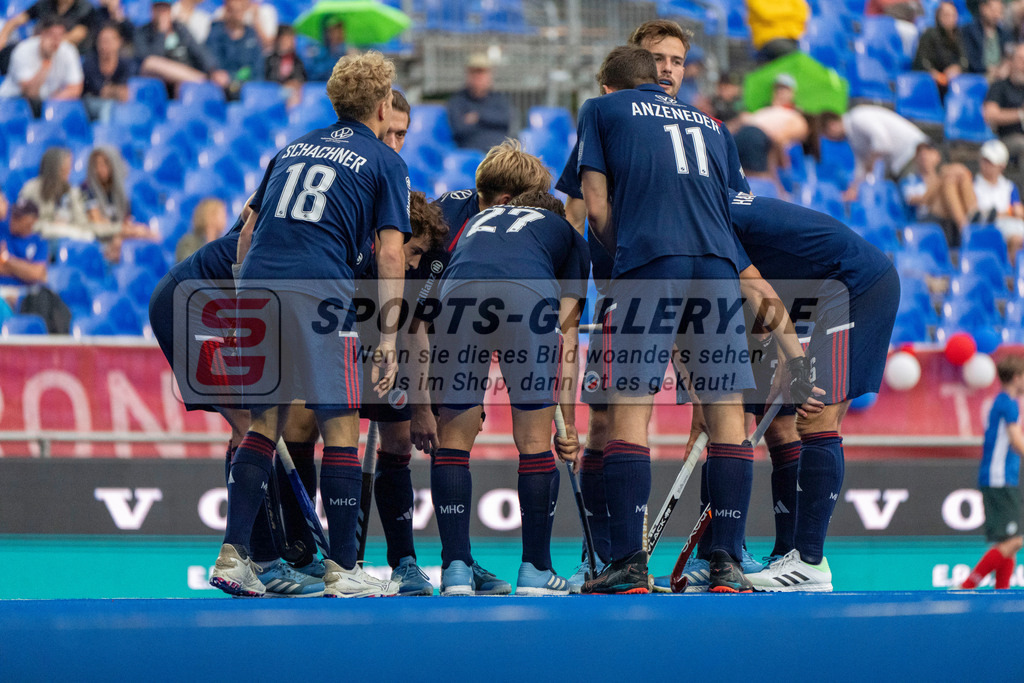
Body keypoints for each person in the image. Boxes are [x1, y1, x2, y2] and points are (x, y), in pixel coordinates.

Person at [208, 51, 410, 599]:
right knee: (341, 429)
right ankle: (344, 568)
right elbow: (391, 256)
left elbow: (248, 234)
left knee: (262, 425)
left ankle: (233, 555)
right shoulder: (385, 160)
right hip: (323, 292)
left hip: (260, 290)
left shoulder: (290, 149)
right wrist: (389, 337)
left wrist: (241, 300)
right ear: (382, 103)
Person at [575, 45, 763, 594]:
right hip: (717, 268)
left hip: (649, 262)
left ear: (610, 86)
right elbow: (735, 207)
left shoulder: (601, 110)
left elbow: (595, 200)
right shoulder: (714, 124)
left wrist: (624, 247)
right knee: (729, 418)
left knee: (631, 412)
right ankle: (726, 563)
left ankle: (630, 565)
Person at [674, 192, 899, 592]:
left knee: (814, 416)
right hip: (806, 297)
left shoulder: (700, 216)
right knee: (776, 426)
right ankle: (779, 556)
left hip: (853, 287)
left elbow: (758, 289)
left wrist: (794, 362)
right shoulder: (701, 208)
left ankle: (809, 562)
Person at [277, 94, 448, 597]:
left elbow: (416, 324)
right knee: (304, 425)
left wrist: (421, 405)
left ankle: (404, 562)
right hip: (332, 329)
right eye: (387, 132)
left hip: (383, 343)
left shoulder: (402, 201)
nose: (392, 144)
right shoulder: (344, 199)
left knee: (397, 444)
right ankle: (303, 552)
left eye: (401, 136)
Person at [431, 190, 586, 596]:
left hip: (457, 294)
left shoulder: (479, 221)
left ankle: (456, 570)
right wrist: (567, 426)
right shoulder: (568, 234)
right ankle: (536, 569)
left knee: (453, 441)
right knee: (534, 440)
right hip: (526, 294)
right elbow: (567, 339)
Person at [960, 355, 1024, 590]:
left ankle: (1002, 593)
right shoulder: (1008, 403)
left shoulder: (1003, 402)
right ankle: (966, 586)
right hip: (999, 477)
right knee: (1015, 540)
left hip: (1001, 476)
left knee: (1008, 540)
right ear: (1017, 377)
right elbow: (1017, 441)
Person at [820, 106, 928, 202]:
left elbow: (882, 142)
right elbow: (861, 165)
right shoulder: (852, 136)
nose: (831, 140)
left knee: (915, 198)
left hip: (913, 152)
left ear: (832, 125)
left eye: (828, 136)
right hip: (899, 162)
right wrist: (853, 188)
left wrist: (870, 162)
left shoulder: (858, 118)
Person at [82, 146, 157, 259]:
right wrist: (128, 231)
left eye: (104, 164)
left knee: (152, 237)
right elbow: (98, 225)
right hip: (94, 241)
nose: (99, 169)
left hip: (117, 236)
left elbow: (126, 220)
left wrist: (128, 231)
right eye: (96, 165)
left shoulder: (119, 192)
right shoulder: (86, 189)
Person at [135, 0, 222, 93]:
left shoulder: (180, 29)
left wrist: (213, 69)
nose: (162, 13)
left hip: (185, 73)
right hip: (161, 80)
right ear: (152, 10)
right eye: (158, 9)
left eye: (165, 9)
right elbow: (149, 59)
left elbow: (198, 50)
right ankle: (202, 80)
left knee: (184, 86)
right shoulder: (142, 32)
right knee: (151, 62)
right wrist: (161, 33)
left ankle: (203, 80)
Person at [901, 141, 977, 246]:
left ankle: (971, 216)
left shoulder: (943, 177)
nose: (925, 156)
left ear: (938, 157)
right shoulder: (910, 181)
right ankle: (969, 224)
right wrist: (941, 180)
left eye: (929, 152)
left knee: (962, 175)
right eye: (921, 153)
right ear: (915, 158)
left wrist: (957, 171)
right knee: (950, 179)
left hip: (948, 219)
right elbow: (921, 200)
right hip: (925, 220)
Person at [0, 18, 83, 113]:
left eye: (60, 35)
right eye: (52, 35)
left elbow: (75, 89)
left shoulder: (69, 51)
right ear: (42, 34)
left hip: (47, 100)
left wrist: (52, 102)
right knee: (33, 104)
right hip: (14, 100)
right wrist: (46, 62)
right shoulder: (23, 50)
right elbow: (30, 92)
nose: (56, 41)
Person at [18, 147, 89, 239]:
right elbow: (22, 220)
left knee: (87, 236)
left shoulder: (72, 191)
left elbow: (81, 222)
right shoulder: (31, 188)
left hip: (68, 234)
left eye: (69, 165)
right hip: (41, 235)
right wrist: (49, 224)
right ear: (54, 166)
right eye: (65, 165)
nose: (68, 169)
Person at [446, 54, 511, 152]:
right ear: (467, 74)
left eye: (482, 72)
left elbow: (505, 120)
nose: (478, 77)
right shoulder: (458, 101)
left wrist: (478, 117)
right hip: (471, 154)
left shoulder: (499, 98)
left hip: (499, 154)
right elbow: (459, 129)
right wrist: (491, 121)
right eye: (474, 72)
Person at [974, 139, 1024, 258]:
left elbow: (1018, 211)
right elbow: (978, 215)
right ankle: (1012, 274)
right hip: (986, 228)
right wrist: (1008, 213)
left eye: (991, 162)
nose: (986, 165)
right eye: (985, 160)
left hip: (1011, 225)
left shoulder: (1009, 186)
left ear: (1002, 166)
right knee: (1016, 239)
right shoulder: (973, 185)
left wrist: (1009, 213)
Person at [205, 0, 264, 99]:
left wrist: (237, 80)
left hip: (248, 89)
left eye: (240, 10)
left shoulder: (251, 34)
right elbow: (214, 64)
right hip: (221, 90)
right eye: (233, 10)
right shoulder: (215, 32)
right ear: (227, 11)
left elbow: (257, 70)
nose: (237, 15)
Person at [984, 45, 1024, 188]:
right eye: (1020, 59)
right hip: (1005, 139)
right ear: (1011, 61)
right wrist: (1019, 114)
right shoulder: (999, 87)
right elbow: (990, 114)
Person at [913, 1, 968, 100]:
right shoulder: (929, 35)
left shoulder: (959, 37)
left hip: (952, 83)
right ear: (938, 16)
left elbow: (964, 60)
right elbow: (921, 61)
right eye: (946, 15)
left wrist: (958, 68)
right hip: (930, 83)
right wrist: (936, 75)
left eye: (953, 15)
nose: (950, 19)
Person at [81, 23, 135, 122]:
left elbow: (125, 94)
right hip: (89, 104)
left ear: (119, 42)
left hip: (116, 104)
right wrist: (116, 91)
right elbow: (102, 91)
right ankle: (104, 135)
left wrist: (113, 91)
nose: (105, 45)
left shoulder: (125, 63)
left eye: (109, 41)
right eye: (102, 41)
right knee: (107, 107)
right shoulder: (90, 63)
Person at [0, 0, 95, 50]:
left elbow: (79, 34)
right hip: (41, 50)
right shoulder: (45, 4)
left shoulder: (85, 8)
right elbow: (20, 18)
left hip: (68, 53)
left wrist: (49, 43)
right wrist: (4, 33)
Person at [0, 199, 47, 291]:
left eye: (18, 217)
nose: (13, 219)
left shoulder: (39, 241)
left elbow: (36, 274)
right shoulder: (3, 230)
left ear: (32, 220)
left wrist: (7, 260)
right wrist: (24, 270)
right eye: (13, 214)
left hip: (26, 293)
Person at [964, 0, 1014, 77]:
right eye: (993, 11)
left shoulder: (1005, 33)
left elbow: (1010, 53)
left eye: (999, 12)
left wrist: (1006, 65)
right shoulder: (970, 31)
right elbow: (970, 59)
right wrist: (989, 69)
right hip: (979, 75)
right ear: (983, 8)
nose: (996, 15)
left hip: (1000, 76)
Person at [175, 197, 227, 262]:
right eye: (222, 215)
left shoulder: (222, 244)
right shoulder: (188, 243)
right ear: (210, 216)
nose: (225, 218)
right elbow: (189, 267)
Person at [265, 24, 306, 106]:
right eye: (285, 39)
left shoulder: (297, 60)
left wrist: (294, 83)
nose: (288, 42)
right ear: (278, 40)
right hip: (273, 94)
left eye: (291, 39)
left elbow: (301, 77)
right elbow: (267, 79)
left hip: (293, 94)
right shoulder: (270, 60)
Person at [302, 17, 348, 82]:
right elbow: (311, 75)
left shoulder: (347, 51)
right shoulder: (318, 52)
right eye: (331, 31)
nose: (335, 35)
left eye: (337, 31)